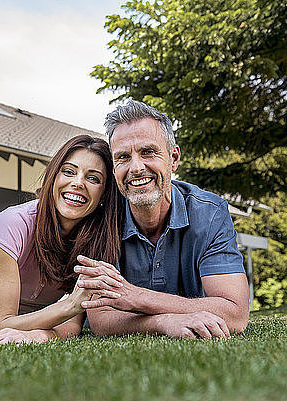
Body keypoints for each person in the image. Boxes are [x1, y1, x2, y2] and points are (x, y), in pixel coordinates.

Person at [77, 100, 250, 339]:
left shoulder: (210, 213)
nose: (136, 168)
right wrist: (165, 322)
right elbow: (102, 319)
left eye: (148, 152)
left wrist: (137, 297)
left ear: (174, 158)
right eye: (123, 157)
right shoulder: (101, 214)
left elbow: (235, 314)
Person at [0, 135, 123, 345]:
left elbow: (73, 325)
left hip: (41, 325)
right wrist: (70, 305)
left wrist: (40, 335)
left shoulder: (98, 239)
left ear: (104, 194)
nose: (77, 183)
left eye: (93, 178)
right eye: (68, 171)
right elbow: (2, 324)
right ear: (53, 177)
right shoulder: (14, 222)